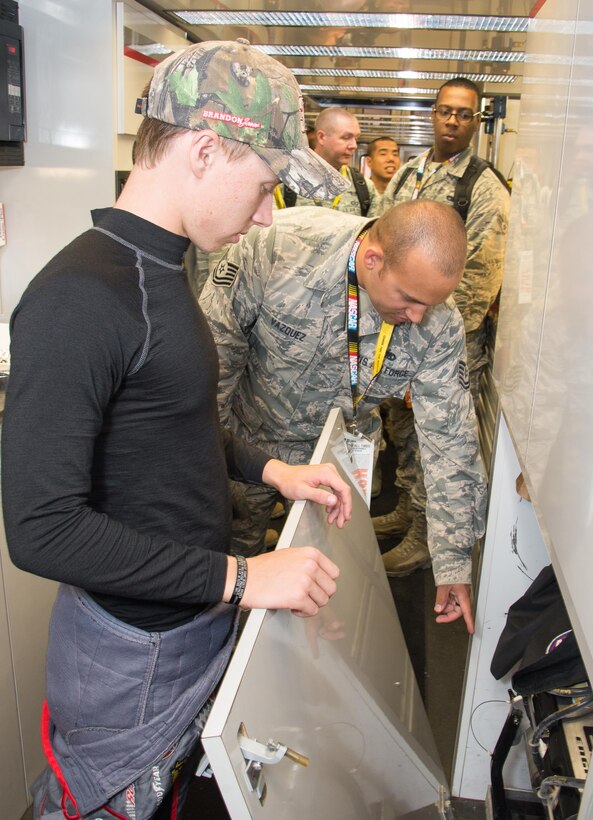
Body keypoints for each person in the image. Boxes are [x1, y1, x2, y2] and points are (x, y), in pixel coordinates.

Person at [1, 40, 353, 820]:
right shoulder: (80, 297)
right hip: (132, 652)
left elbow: (173, 417)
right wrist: (242, 578)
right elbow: (41, 530)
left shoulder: (161, 267)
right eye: (263, 187)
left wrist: (271, 472)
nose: (266, 214)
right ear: (202, 151)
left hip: (182, 618)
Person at [199, 199, 487, 635]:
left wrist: (452, 561)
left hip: (338, 462)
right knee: (233, 574)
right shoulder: (278, 247)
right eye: (409, 299)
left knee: (321, 598)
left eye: (432, 303)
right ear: (372, 259)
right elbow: (210, 367)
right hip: (246, 449)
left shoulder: (438, 322)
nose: (419, 317)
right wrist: (200, 474)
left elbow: (450, 442)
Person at [373, 78, 510, 578]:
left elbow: (478, 279)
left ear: (477, 122)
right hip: (393, 329)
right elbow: (380, 238)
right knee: (401, 427)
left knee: (435, 438)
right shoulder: (409, 172)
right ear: (433, 114)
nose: (453, 121)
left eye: (465, 114)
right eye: (445, 111)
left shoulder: (481, 185)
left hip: (444, 345)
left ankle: (426, 538)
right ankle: (409, 510)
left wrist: (427, 340)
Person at [275, 107, 379, 216]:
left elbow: (374, 231)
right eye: (346, 137)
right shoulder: (284, 181)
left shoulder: (364, 187)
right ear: (321, 137)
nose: (354, 145)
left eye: (356, 138)